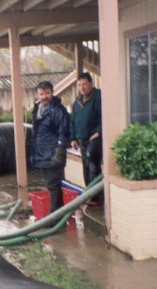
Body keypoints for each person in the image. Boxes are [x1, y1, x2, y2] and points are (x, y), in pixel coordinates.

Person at [30, 81, 70, 213]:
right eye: (41, 94)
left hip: (53, 154)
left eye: (47, 93)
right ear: (38, 95)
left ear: (52, 93)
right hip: (42, 153)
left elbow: (63, 131)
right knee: (52, 186)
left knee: (53, 186)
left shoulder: (58, 110)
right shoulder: (37, 109)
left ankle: (54, 218)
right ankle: (58, 215)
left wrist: (59, 150)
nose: (44, 96)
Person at [70, 72, 103, 205]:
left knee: (92, 163)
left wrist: (99, 132)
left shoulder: (98, 96)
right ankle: (90, 194)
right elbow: (72, 121)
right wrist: (73, 138)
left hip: (95, 138)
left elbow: (107, 114)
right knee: (86, 166)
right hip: (82, 139)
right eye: (79, 85)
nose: (82, 87)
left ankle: (97, 197)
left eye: (84, 84)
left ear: (91, 84)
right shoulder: (77, 102)